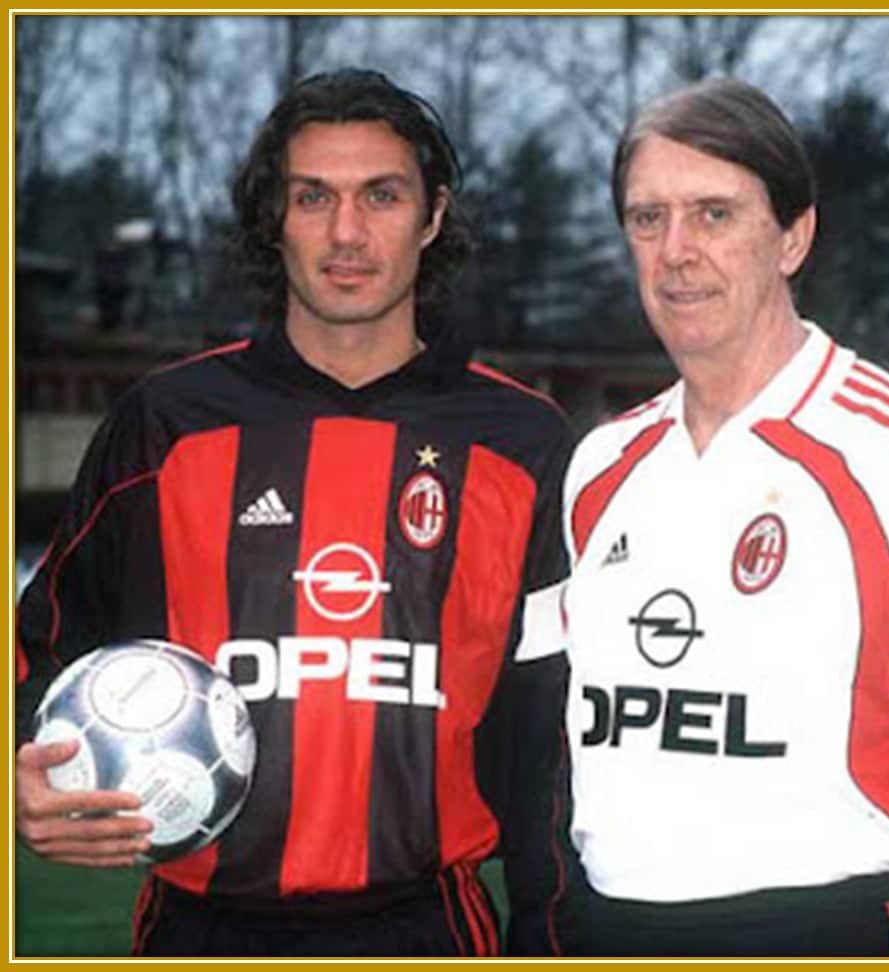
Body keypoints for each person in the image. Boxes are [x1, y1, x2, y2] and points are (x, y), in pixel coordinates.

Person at [15, 68, 575, 957]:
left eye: (381, 196)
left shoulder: (524, 445)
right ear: (270, 219)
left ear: (432, 217)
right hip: (199, 931)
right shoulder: (165, 425)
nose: (345, 234)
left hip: (428, 928)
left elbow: (555, 747)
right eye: (312, 197)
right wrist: (22, 777)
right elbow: (39, 643)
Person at [559, 78, 889, 957]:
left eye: (713, 215)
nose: (675, 252)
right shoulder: (598, 468)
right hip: (612, 925)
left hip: (826, 922)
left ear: (792, 237)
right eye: (646, 218)